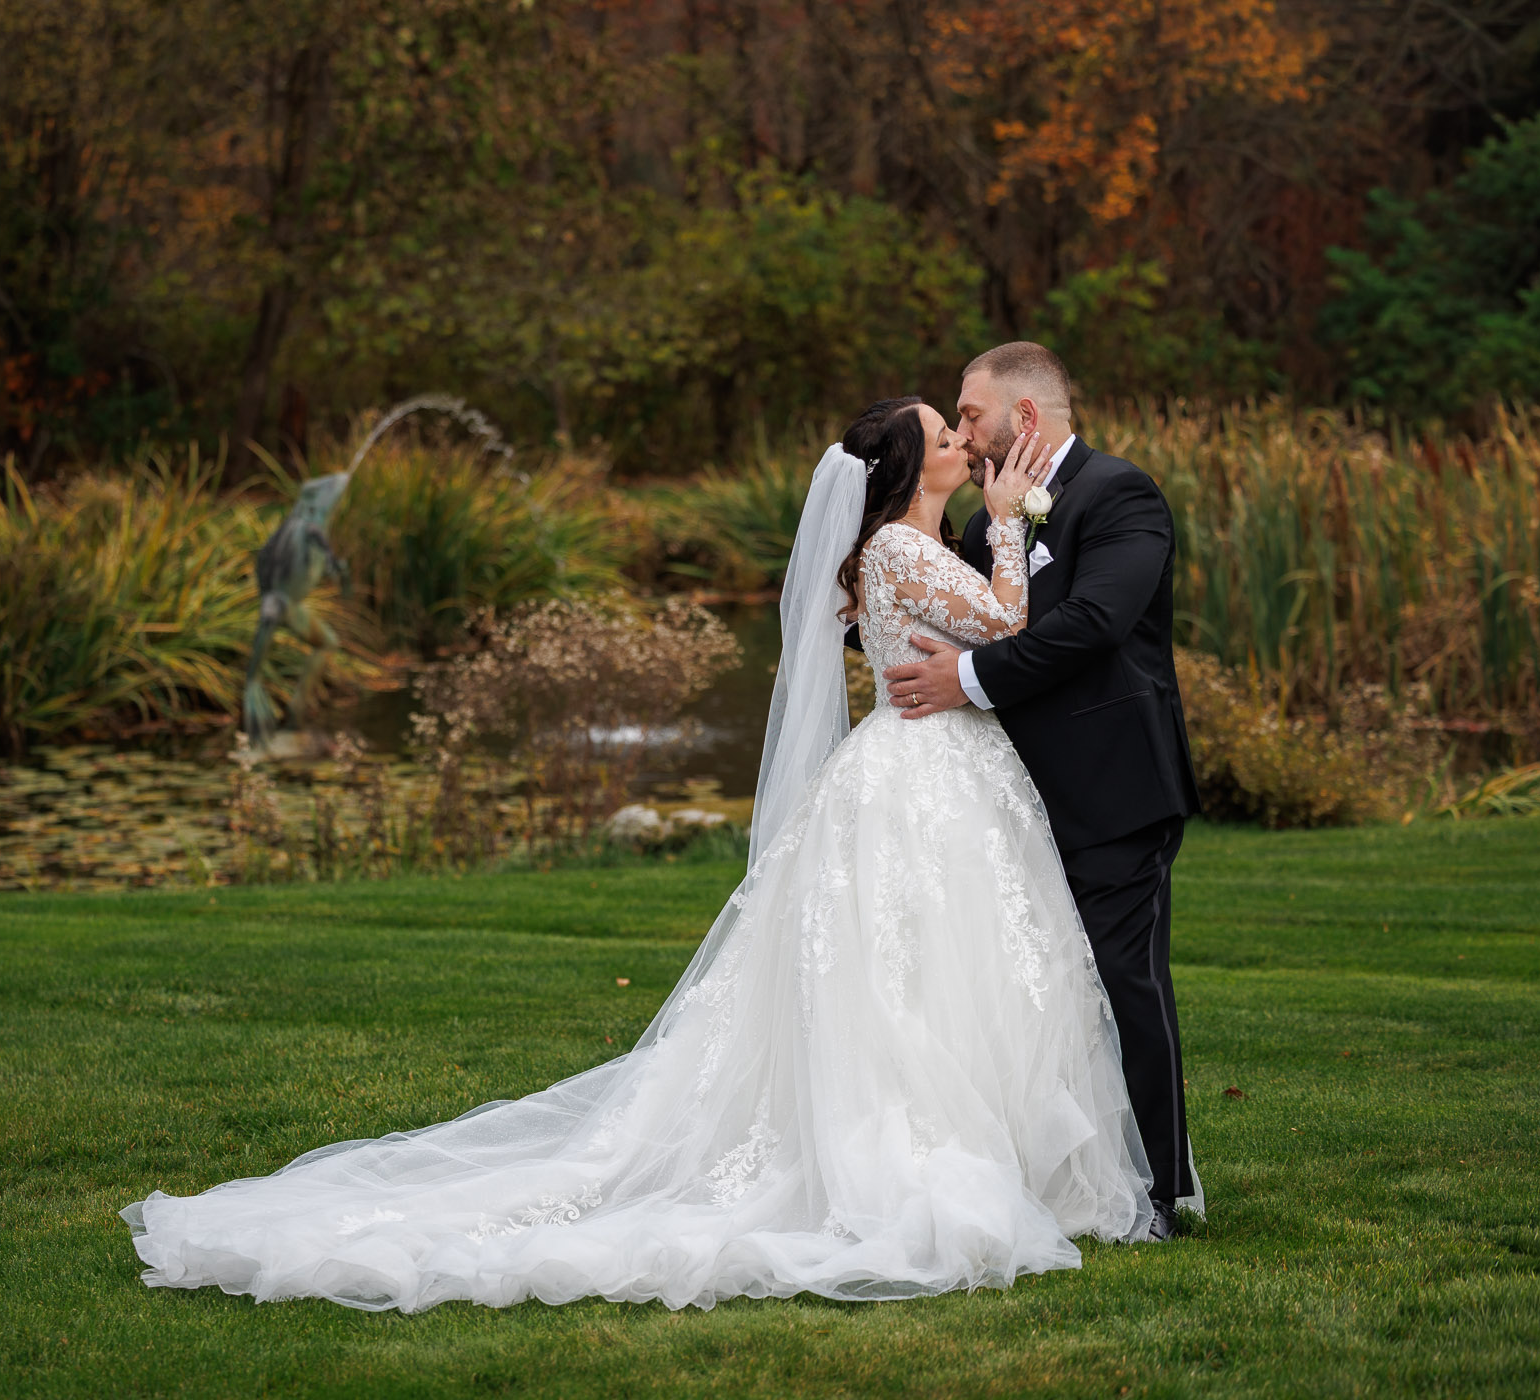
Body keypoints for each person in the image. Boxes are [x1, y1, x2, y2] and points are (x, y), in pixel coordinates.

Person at [120, 397, 1160, 1312]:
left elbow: (973, 633)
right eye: (945, 435)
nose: (963, 443)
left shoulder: (910, 548)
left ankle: (999, 1147)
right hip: (922, 773)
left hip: (938, 768)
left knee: (947, 964)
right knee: (916, 969)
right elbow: (1013, 617)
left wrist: (995, 534)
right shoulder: (897, 546)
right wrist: (1018, 523)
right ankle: (921, 1158)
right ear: (908, 468)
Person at [876, 342, 1203, 1237]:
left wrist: (968, 680)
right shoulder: (990, 524)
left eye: (969, 415)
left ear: (1023, 418)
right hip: (1004, 800)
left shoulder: (1120, 495)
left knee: (1120, 980)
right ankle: (1057, 1176)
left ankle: (1162, 1190)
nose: (963, 432)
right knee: (1033, 989)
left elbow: (1097, 622)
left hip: (1113, 786)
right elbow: (963, 608)